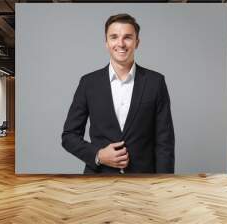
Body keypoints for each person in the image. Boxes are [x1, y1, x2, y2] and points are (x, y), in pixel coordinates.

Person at [61, 13, 175, 174]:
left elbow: (165, 142)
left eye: (127, 37)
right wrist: (98, 155)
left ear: (137, 42)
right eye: (114, 37)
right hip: (98, 181)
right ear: (106, 43)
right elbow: (69, 136)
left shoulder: (156, 82)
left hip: (143, 182)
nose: (120, 43)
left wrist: (164, 185)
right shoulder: (88, 83)